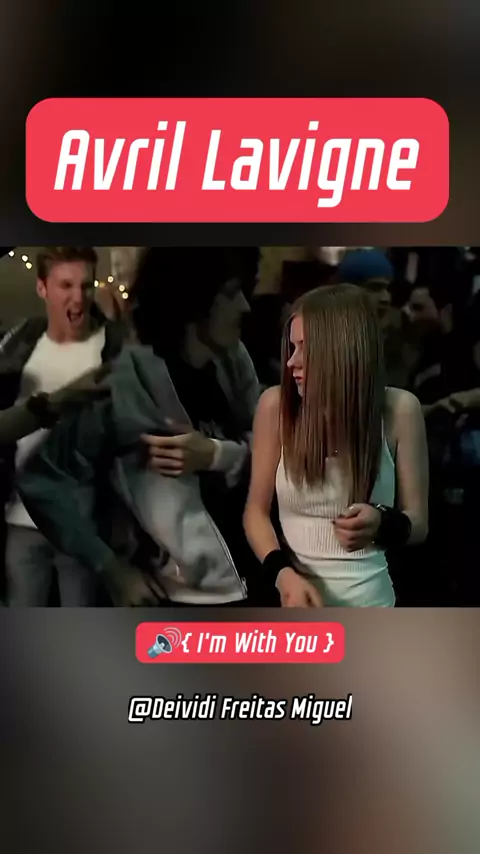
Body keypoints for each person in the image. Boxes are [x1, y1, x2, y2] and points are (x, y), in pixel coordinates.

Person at [17, 247, 263, 607]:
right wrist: (112, 569)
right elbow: (41, 479)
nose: (244, 306)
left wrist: (216, 455)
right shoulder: (125, 381)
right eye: (230, 293)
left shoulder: (233, 359)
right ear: (194, 298)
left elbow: (274, 451)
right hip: (179, 596)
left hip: (259, 575)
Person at [243, 284, 429, 608]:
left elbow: (419, 523)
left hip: (371, 605)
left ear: (342, 350)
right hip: (298, 606)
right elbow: (255, 514)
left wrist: (382, 523)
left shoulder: (400, 410)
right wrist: (284, 576)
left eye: (305, 348)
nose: (291, 362)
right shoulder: (276, 407)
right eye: (292, 348)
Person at [0, 247, 126, 606]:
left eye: (86, 285)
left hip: (86, 524)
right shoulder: (20, 344)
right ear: (42, 288)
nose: (78, 297)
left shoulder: (113, 349)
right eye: (66, 285)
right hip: (21, 520)